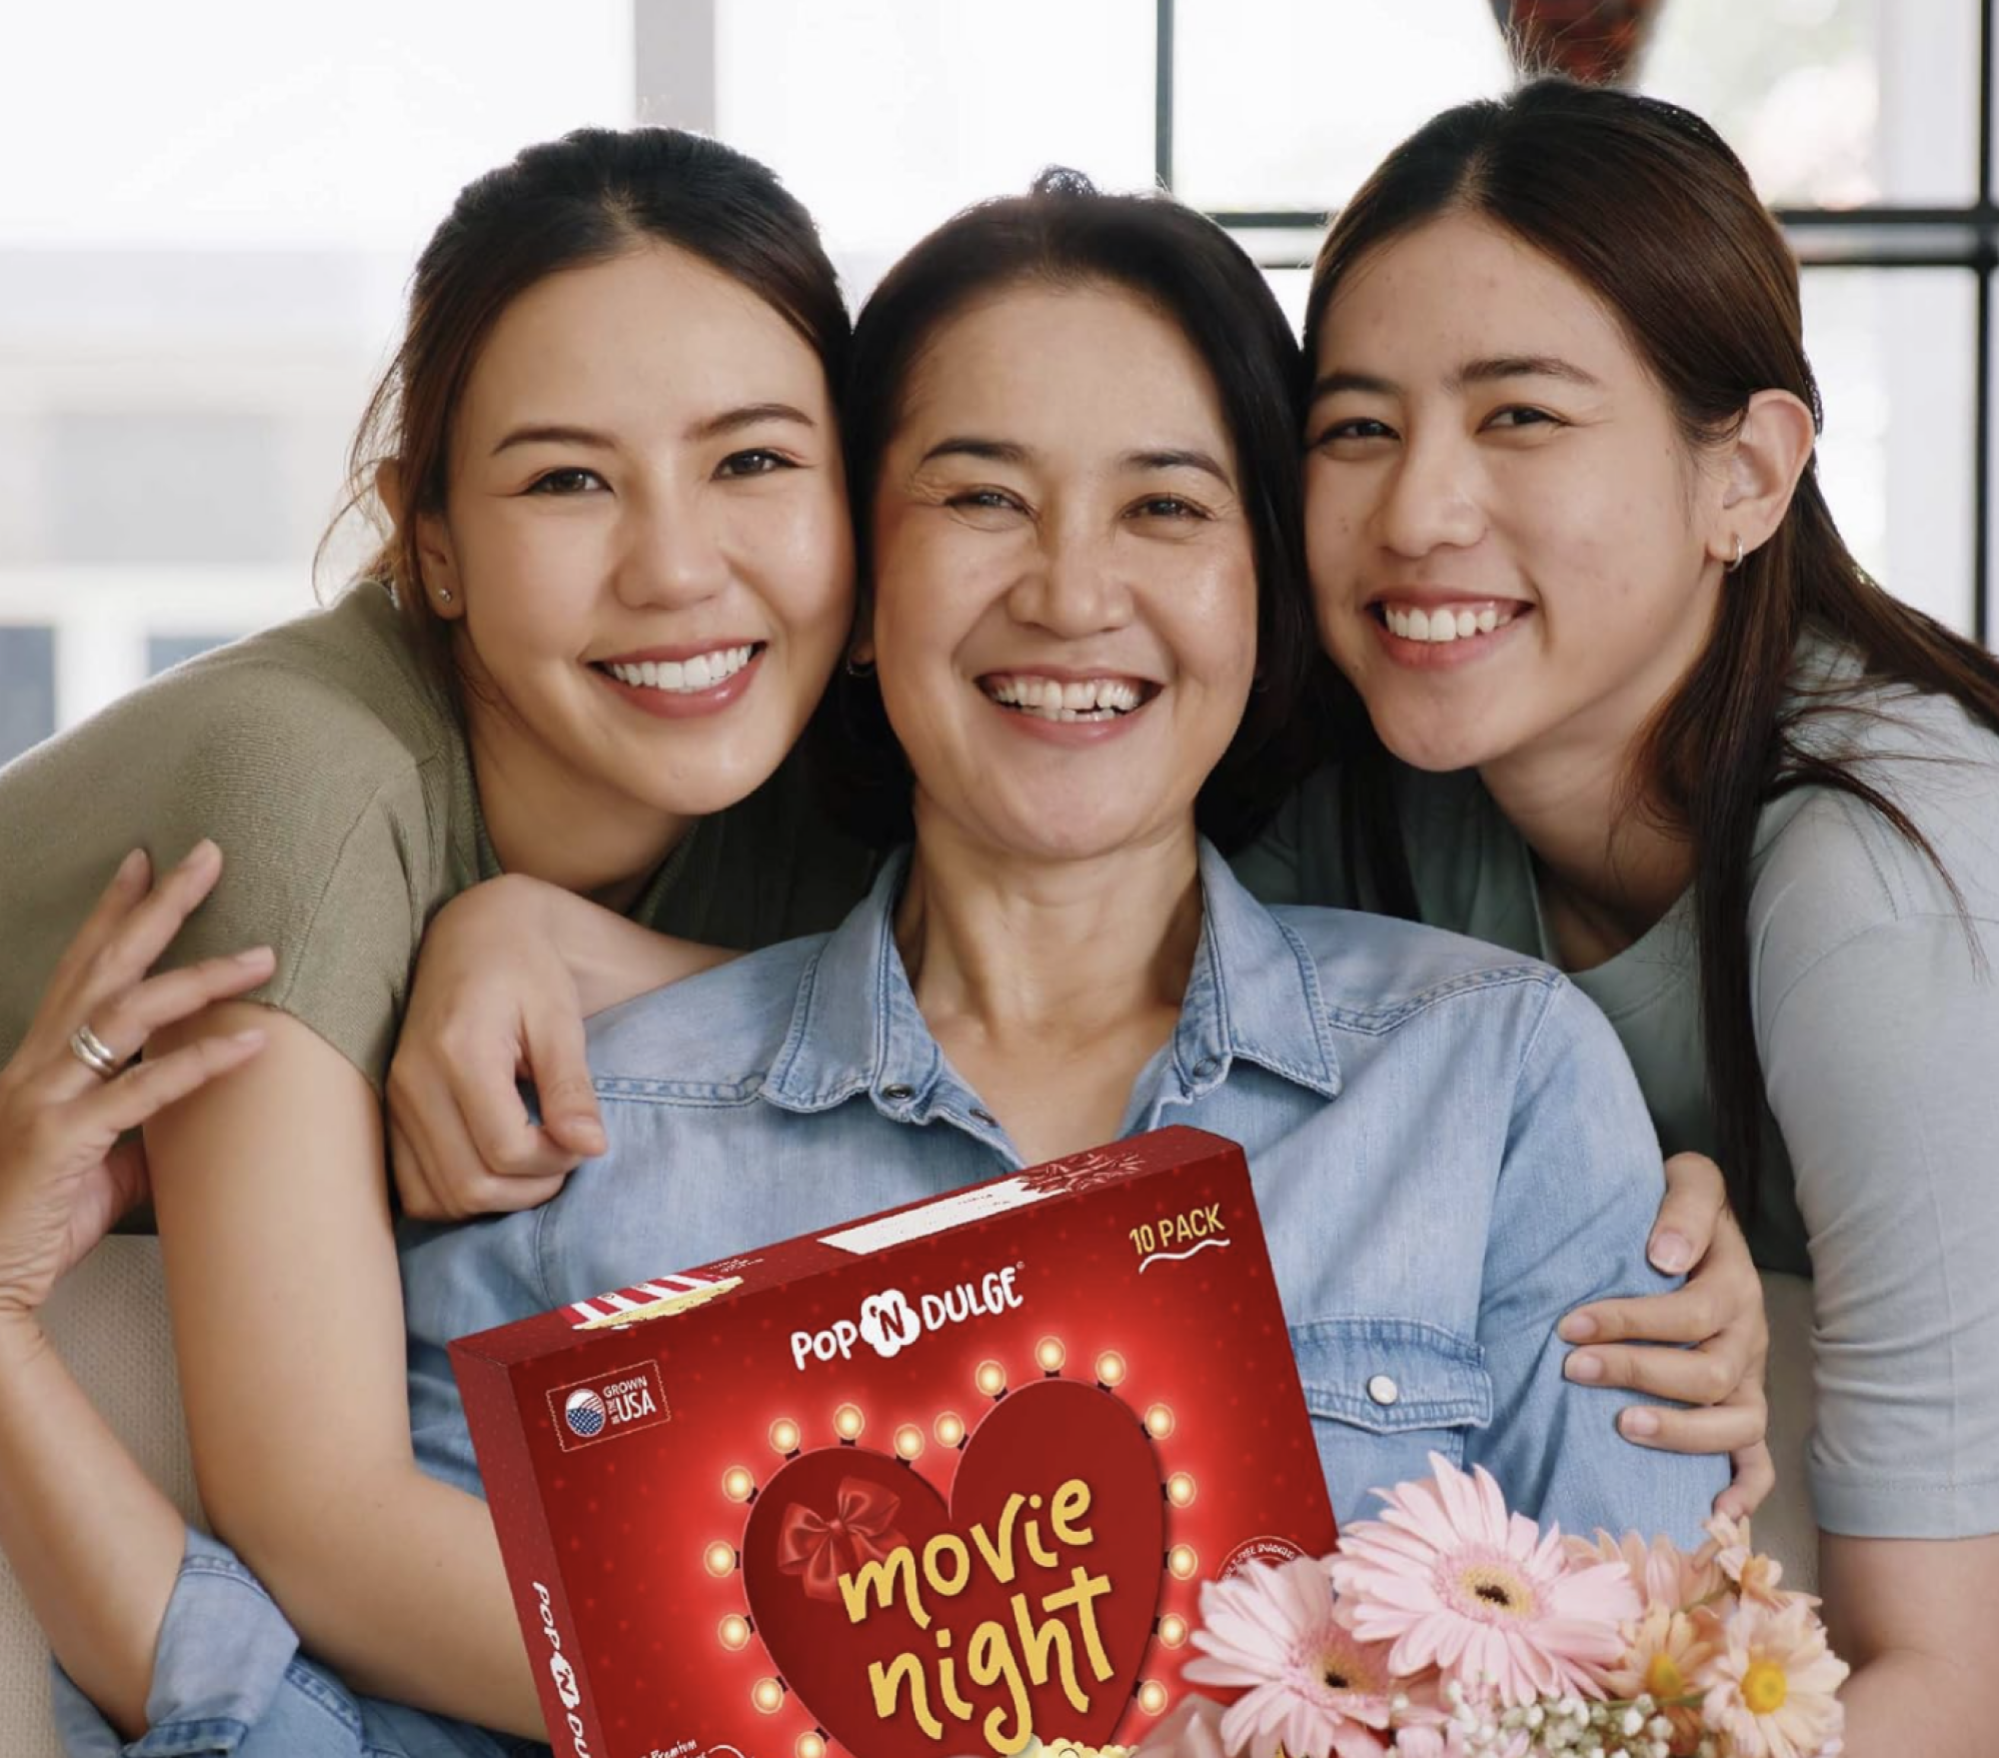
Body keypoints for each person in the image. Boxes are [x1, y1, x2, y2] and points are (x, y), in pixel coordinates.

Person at [22, 174, 1723, 1757]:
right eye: (980, 496)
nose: (1068, 591)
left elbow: (1651, 1697)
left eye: (1164, 504)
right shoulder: (564, 1129)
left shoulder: (1493, 1080)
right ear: (867, 564)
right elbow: (336, 1629)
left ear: (1266, 578)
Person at [0, 126, 869, 1741]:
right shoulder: (307, 788)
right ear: (434, 541)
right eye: (565, 479)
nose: (678, 566)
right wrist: (846, 1718)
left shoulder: (807, 787)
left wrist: (542, 929)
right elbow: (329, 1528)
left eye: (752, 462)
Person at [1255, 76, 1999, 1755]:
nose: (1415, 510)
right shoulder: (1369, 817)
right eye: (1355, 426)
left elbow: (1953, 1689)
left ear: (1743, 472)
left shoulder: (1880, 888)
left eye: (1517, 415)